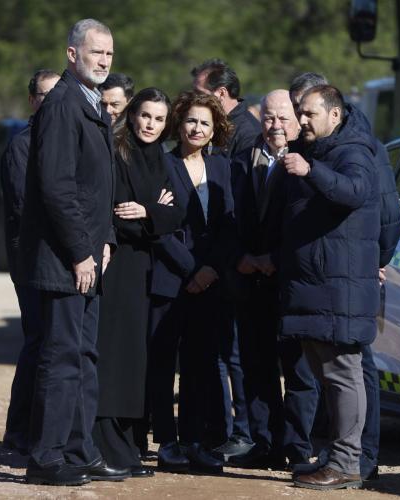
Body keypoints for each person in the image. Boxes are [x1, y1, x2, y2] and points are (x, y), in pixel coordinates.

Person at [17, 18, 128, 486]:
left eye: (109, 53)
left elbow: (97, 188)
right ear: (71, 54)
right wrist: (81, 251)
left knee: (83, 356)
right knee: (61, 357)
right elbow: (57, 187)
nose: (103, 60)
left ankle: (82, 451)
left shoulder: (92, 103)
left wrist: (105, 240)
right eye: (95, 51)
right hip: (65, 259)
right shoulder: (63, 103)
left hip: (88, 255)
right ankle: (46, 458)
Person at [289, 72, 400, 481]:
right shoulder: (318, 147)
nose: (302, 120)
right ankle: (337, 456)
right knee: (328, 374)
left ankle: (348, 462)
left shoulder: (353, 150)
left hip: (341, 285)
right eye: (299, 113)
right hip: (320, 284)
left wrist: (310, 171)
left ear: (334, 115)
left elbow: (355, 192)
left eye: (310, 113)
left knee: (344, 373)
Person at [92, 87, 185, 478]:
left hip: (147, 270)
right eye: (145, 115)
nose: (151, 124)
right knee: (115, 357)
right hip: (118, 269)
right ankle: (106, 445)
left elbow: (176, 214)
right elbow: (115, 215)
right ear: (132, 116)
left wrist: (147, 212)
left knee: (138, 360)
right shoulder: (117, 154)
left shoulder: (161, 159)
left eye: (159, 119)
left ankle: (130, 444)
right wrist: (154, 213)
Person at [148, 91, 234, 473]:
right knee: (163, 363)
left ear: (215, 130)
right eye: (191, 121)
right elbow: (159, 227)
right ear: (179, 124)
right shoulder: (162, 164)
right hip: (171, 280)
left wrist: (211, 268)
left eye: (205, 123)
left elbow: (230, 224)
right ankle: (167, 442)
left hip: (210, 283)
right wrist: (193, 269)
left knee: (199, 365)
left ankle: (194, 440)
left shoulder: (222, 167)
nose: (197, 128)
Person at [227, 90, 301, 468]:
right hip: (250, 280)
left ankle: (296, 447)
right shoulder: (241, 160)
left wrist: (276, 259)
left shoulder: (306, 162)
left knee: (298, 372)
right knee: (256, 367)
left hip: (290, 282)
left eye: (283, 118)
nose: (276, 126)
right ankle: (264, 442)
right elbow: (228, 216)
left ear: (297, 119)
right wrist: (242, 257)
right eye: (269, 118)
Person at [191, 58, 256, 454]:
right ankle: (222, 429)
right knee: (221, 351)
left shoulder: (244, 134)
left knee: (235, 355)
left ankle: (243, 432)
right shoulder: (225, 131)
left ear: (219, 93)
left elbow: (241, 206)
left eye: (200, 94)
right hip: (220, 263)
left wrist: (228, 259)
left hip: (235, 266)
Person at [0, 68, 60, 456]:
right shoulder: (22, 146)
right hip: (31, 260)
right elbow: (26, 209)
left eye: (57, 96)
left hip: (56, 258)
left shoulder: (60, 142)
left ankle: (41, 427)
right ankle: (20, 429)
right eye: (44, 96)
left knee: (53, 343)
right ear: (32, 101)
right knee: (38, 340)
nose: (51, 103)